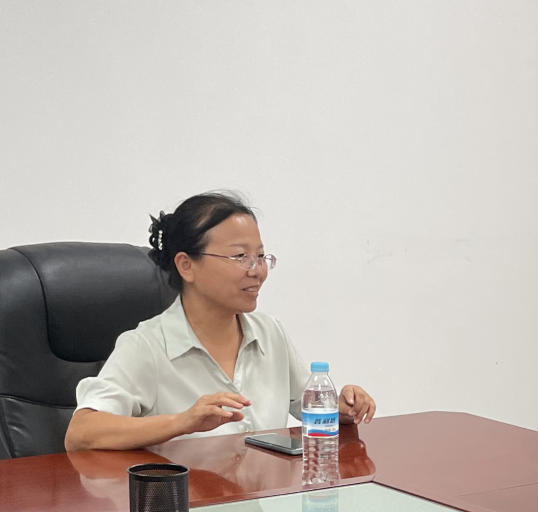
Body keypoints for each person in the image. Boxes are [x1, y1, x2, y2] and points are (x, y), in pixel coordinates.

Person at [65, 192, 375, 452]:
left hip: (266, 501)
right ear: (186, 265)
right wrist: (182, 422)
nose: (257, 271)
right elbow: (81, 433)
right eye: (240, 257)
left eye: (261, 257)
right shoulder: (146, 346)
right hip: (187, 504)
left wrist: (343, 408)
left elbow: (312, 410)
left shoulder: (271, 334)